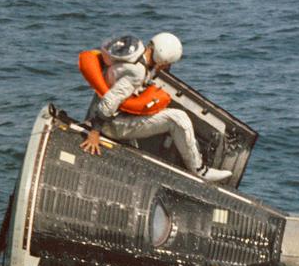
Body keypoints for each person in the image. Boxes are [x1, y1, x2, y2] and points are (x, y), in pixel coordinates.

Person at [79, 32, 232, 183]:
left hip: (106, 112)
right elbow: (110, 102)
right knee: (178, 118)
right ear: (162, 58)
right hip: (112, 126)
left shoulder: (135, 52)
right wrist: (94, 133)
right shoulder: (137, 72)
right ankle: (200, 171)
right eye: (167, 63)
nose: (167, 66)